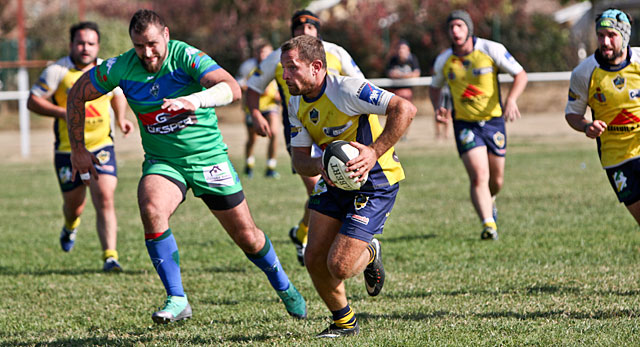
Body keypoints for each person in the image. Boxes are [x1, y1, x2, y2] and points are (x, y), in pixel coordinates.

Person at [65, 9, 306, 324]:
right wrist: (78, 148)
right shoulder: (122, 66)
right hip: (164, 163)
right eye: (139, 46)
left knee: (248, 236)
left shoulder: (185, 57)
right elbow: (76, 94)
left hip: (208, 160)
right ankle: (177, 298)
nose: (147, 53)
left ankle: (284, 286)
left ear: (165, 35)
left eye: (152, 44)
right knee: (151, 207)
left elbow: (231, 88)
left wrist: (196, 100)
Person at [282, 35, 416, 337]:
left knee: (340, 266)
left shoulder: (347, 89)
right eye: (283, 69)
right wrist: (323, 165)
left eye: (292, 68)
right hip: (335, 181)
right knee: (313, 257)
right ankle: (343, 321)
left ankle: (370, 249)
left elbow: (404, 109)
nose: (285, 76)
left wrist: (373, 151)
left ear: (317, 67)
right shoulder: (295, 103)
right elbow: (300, 160)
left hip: (376, 181)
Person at [247, 9, 364, 267]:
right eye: (299, 29)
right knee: (318, 188)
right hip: (300, 133)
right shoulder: (278, 58)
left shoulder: (336, 52)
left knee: (327, 189)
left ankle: (303, 233)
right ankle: (336, 239)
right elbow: (253, 88)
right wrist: (256, 115)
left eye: (310, 29)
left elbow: (360, 84)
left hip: (336, 134)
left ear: (317, 31)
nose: (304, 33)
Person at [27, 21, 133, 272]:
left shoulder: (106, 69)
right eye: (80, 43)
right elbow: (33, 101)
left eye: (91, 43)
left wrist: (120, 119)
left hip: (101, 146)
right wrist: (64, 113)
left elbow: (118, 94)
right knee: (75, 206)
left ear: (98, 45)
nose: (85, 48)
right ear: (71, 44)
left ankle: (110, 256)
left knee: (105, 196)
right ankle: (70, 225)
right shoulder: (57, 71)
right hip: (68, 150)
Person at [429, 10, 527, 240]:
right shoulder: (444, 60)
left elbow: (520, 75)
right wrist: (438, 108)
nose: (455, 31)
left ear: (468, 29)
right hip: (464, 124)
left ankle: (490, 199)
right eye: (451, 27)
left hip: (493, 122)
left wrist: (511, 99)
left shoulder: (491, 49)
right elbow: (434, 87)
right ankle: (488, 224)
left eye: (460, 26)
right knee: (478, 176)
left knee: (496, 180)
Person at [566, 9, 640, 226]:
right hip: (616, 159)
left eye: (611, 35)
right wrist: (587, 126)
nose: (605, 41)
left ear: (625, 36)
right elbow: (572, 114)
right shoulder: (584, 73)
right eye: (600, 35)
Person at [236, 40, 281, 179]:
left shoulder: (278, 65)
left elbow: (283, 88)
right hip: (253, 108)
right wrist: (255, 89)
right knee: (252, 139)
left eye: (267, 52)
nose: (264, 55)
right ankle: (249, 165)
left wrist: (274, 95)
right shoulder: (248, 66)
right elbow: (239, 83)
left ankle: (271, 167)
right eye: (261, 52)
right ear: (256, 53)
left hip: (270, 106)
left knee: (274, 133)